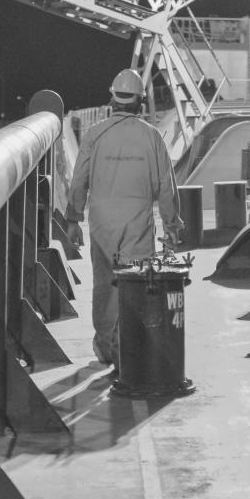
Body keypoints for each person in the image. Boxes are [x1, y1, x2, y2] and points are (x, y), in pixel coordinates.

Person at [66, 68, 183, 369]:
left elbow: (79, 181)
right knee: (135, 286)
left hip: (102, 223)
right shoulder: (152, 136)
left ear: (113, 99)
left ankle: (106, 348)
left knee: (104, 286)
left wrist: (72, 219)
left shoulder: (94, 135)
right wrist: (171, 226)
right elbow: (166, 188)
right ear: (140, 102)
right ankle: (129, 350)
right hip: (137, 224)